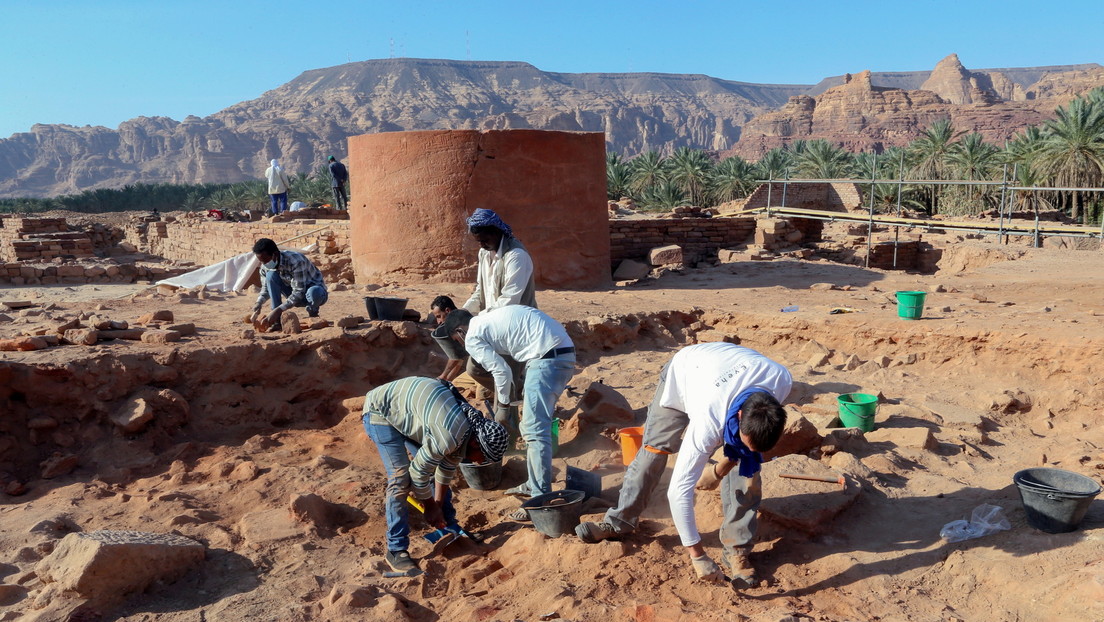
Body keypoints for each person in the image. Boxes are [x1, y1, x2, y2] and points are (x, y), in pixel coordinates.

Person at [574, 343, 791, 586]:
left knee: (748, 466)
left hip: (722, 371)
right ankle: (619, 522)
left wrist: (719, 470)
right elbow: (678, 492)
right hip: (684, 373)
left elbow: (746, 450)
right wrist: (697, 555)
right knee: (654, 451)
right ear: (740, 416)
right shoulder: (708, 420)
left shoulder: (782, 381)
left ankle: (737, 550)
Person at [363, 377, 509, 572]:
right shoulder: (449, 436)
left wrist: (438, 504)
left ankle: (450, 526)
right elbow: (417, 473)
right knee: (400, 478)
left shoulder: (468, 432)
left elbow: (445, 468)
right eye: (483, 457)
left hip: (413, 410)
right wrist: (430, 506)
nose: (480, 462)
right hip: (381, 410)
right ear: (476, 443)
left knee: (432, 464)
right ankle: (396, 550)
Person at [441, 305, 575, 520]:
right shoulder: (486, 319)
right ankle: (534, 484)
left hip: (548, 359)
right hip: (558, 353)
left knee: (534, 430)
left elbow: (501, 371)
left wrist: (502, 409)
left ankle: (540, 498)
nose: (461, 344)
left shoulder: (473, 336)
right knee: (531, 426)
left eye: (457, 340)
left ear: (460, 332)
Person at [460, 208, 538, 425]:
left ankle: (509, 436)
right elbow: (480, 290)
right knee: (474, 368)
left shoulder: (517, 256)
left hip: (515, 327)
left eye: (484, 239)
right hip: (491, 325)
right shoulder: (484, 253)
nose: (481, 245)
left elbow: (509, 300)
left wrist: (477, 321)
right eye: (478, 241)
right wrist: (464, 313)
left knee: (505, 384)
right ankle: (520, 389)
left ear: (497, 232)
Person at [249, 238, 328, 331]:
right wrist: (259, 303)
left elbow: (299, 291)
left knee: (314, 292)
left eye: (266, 260)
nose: (264, 264)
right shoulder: (265, 267)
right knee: (270, 275)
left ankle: (313, 314)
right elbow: (266, 289)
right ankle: (277, 322)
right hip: (293, 294)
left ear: (275, 254)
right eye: (261, 261)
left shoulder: (296, 261)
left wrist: (278, 311)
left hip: (314, 294)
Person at [429, 296, 466, 382]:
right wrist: (447, 380)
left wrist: (442, 376)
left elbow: (455, 358)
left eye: (439, 316)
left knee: (481, 394)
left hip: (489, 367)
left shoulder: (462, 324)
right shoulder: (457, 320)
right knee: (455, 383)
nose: (438, 322)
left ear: (447, 311)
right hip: (476, 367)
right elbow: (459, 358)